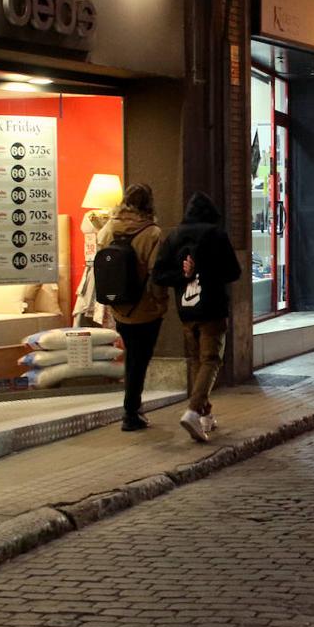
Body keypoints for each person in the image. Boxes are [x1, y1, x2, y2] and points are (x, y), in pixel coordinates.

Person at [153, 191, 241, 444]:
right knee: (211, 360)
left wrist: (184, 277)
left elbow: (159, 275)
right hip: (212, 308)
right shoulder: (216, 235)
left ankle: (206, 414)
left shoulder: (174, 237)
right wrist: (206, 272)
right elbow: (233, 271)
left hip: (186, 310)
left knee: (196, 361)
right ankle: (192, 411)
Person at [97, 183, 167, 432]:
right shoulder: (152, 233)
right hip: (146, 308)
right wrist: (160, 303)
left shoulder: (108, 230)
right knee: (140, 359)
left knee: (131, 358)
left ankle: (132, 408)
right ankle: (131, 412)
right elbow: (156, 275)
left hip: (120, 307)